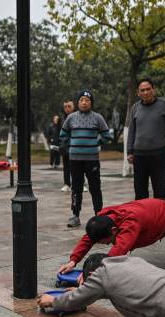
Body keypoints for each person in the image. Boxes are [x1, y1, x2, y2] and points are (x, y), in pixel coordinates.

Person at [58, 198, 165, 274]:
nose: (106, 245)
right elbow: (89, 237)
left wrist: (91, 273)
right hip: (158, 214)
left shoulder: (130, 224)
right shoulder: (104, 219)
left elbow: (117, 252)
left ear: (113, 231)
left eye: (106, 242)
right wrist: (73, 260)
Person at [60, 90, 113, 228]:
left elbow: (107, 136)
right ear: (78, 102)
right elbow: (63, 135)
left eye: (87, 100)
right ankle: (75, 216)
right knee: (76, 188)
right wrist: (69, 147)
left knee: (95, 188)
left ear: (91, 103)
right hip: (75, 160)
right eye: (81, 100)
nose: (84, 102)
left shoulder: (98, 118)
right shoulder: (71, 118)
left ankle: (99, 214)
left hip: (92, 160)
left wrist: (96, 143)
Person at [127, 78, 165, 200]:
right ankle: (142, 218)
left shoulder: (164, 105)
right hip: (139, 156)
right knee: (140, 192)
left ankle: (161, 218)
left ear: (154, 90)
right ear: (138, 93)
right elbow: (131, 131)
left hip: (158, 154)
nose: (145, 92)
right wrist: (129, 151)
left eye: (148, 89)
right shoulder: (135, 107)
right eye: (142, 90)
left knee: (159, 191)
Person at [59, 100, 75, 192]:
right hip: (65, 146)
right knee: (66, 166)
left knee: (78, 166)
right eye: (65, 107)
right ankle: (67, 184)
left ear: (73, 107)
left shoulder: (78, 117)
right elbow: (59, 133)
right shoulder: (62, 118)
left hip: (75, 146)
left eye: (69, 106)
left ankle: (80, 183)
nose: (67, 108)